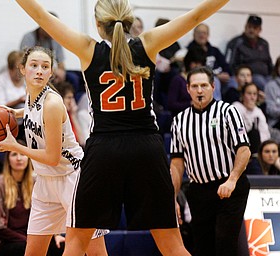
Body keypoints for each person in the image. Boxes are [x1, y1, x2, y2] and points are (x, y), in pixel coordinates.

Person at [13, 0, 230, 255]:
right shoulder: (148, 42)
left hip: (104, 150)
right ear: (129, 20)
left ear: (97, 23)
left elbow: (40, 14)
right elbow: (196, 16)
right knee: (172, 245)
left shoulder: (87, 48)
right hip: (146, 148)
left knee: (76, 242)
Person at [0, 46, 108, 256]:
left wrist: (15, 147)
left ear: (51, 72)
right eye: (34, 65)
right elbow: (34, 110)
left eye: (45, 67)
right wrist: (16, 113)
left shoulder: (53, 103)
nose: (39, 71)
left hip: (73, 177)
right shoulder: (31, 95)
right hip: (45, 180)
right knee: (32, 252)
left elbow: (52, 158)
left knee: (92, 252)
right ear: (23, 69)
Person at [170, 66, 251, 256]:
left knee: (224, 244)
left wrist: (232, 180)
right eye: (195, 86)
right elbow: (176, 163)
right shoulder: (179, 121)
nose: (200, 91)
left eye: (204, 85)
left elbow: (244, 150)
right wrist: (172, 197)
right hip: (199, 192)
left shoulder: (228, 111)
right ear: (188, 88)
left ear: (213, 87)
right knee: (203, 247)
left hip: (229, 188)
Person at [0, 143, 34, 256]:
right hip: (4, 242)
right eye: (14, 154)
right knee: (25, 248)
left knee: (59, 245)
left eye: (23, 154)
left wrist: (55, 236)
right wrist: (26, 240)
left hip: (29, 238)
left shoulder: (35, 183)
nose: (19, 158)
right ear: (8, 160)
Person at [225, 15, 273, 91]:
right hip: (248, 76)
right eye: (249, 27)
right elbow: (229, 64)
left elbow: (269, 63)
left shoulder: (264, 43)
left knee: (274, 82)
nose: (251, 30)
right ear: (245, 27)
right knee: (262, 82)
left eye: (255, 28)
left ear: (260, 30)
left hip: (266, 76)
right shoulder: (235, 43)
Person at [0, 50, 26, 140]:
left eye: (23, 68)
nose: (20, 72)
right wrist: (19, 100)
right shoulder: (1, 80)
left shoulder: (27, 81)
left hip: (21, 123)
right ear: (10, 68)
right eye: (17, 69)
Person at [233, 82, 270, 174]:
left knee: (256, 135)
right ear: (242, 95)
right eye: (249, 94)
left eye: (255, 94)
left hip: (255, 150)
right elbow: (236, 131)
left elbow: (265, 135)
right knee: (253, 133)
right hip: (237, 146)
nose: (252, 97)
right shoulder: (236, 107)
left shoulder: (258, 112)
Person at [187, 23, 232, 96]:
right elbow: (197, 70)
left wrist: (227, 73)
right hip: (207, 79)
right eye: (199, 33)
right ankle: (216, 106)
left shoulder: (215, 50)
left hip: (221, 78)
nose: (202, 35)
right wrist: (217, 76)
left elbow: (225, 65)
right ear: (194, 34)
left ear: (208, 35)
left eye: (204, 33)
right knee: (215, 81)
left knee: (233, 81)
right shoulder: (189, 51)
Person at [54, 81, 87, 147]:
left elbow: (82, 141)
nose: (72, 101)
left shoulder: (71, 115)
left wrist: (73, 115)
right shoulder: (55, 116)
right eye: (69, 98)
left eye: (72, 98)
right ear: (60, 98)